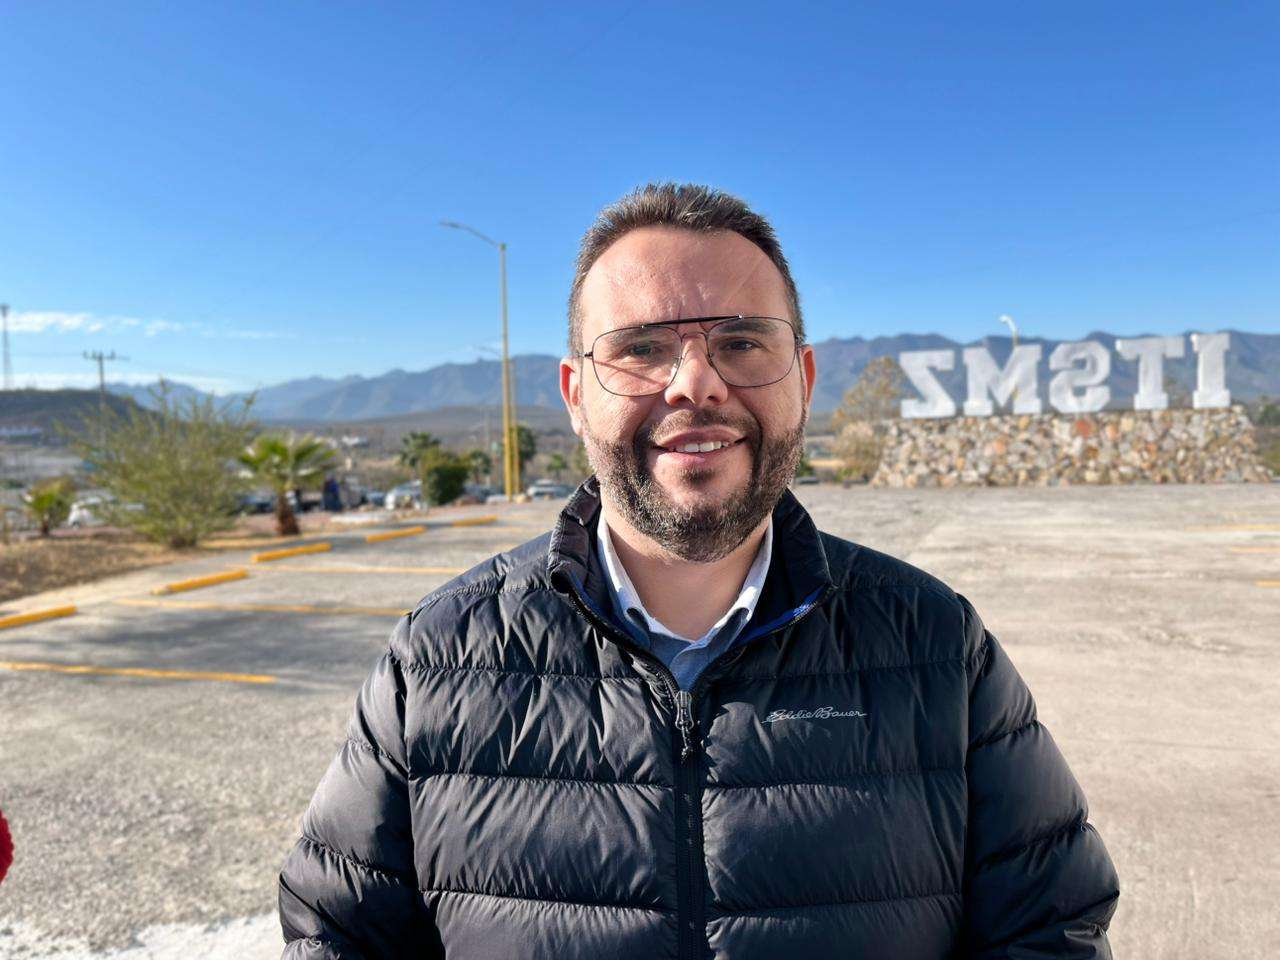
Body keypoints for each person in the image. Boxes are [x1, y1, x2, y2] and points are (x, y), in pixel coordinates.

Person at [279, 183, 1119, 958]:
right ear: (575, 396)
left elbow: (1049, 930)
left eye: (741, 341)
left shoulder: (938, 647)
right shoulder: (435, 662)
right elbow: (336, 935)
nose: (695, 385)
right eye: (641, 347)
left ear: (804, 379)